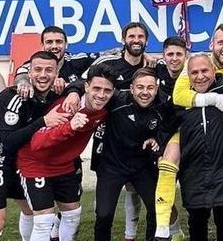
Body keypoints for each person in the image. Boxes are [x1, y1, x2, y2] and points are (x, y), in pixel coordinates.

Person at [62, 67, 174, 241]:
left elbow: (172, 124)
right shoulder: (116, 99)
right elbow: (88, 83)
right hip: (112, 166)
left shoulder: (164, 104)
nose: (145, 92)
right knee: (104, 214)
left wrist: (157, 139)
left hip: (142, 166)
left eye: (150, 88)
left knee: (156, 208)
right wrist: (73, 93)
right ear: (131, 88)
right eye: (140, 87)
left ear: (156, 88)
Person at [0, 51, 73, 241]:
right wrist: (43, 121)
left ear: (57, 73)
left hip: (21, 162)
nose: (43, 75)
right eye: (38, 70)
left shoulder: (53, 94)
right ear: (30, 72)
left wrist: (73, 91)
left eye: (49, 70)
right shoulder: (12, 96)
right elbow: (9, 142)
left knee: (32, 211)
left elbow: (82, 85)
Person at [17, 67, 114, 241]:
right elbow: (37, 143)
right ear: (86, 87)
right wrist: (69, 127)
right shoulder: (68, 107)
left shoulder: (104, 110)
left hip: (65, 166)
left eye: (107, 90)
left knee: (72, 214)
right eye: (96, 89)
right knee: (44, 219)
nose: (101, 95)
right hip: (37, 164)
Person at [169, 54, 223, 241]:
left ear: (213, 70)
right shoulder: (180, 102)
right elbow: (165, 130)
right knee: (197, 226)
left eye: (204, 70)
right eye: (194, 72)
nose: (200, 76)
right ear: (188, 76)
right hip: (193, 174)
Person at [14, 26, 98, 91]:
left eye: (58, 42)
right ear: (42, 45)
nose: (54, 46)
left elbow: (106, 57)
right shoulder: (34, 64)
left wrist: (74, 85)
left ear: (66, 45)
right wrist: (24, 83)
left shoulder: (78, 60)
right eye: (49, 42)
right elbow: (21, 75)